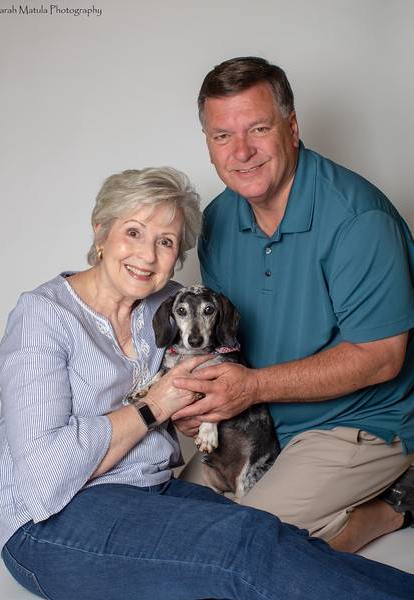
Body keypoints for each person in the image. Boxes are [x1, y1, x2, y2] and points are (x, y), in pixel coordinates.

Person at [0, 165, 414, 599]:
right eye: (133, 232)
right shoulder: (42, 318)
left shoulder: (163, 303)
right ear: (101, 232)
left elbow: (214, 369)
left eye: (166, 242)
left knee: (265, 531)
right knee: (240, 554)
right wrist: (154, 406)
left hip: (150, 491)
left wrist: (203, 408)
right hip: (50, 522)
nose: (147, 255)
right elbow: (44, 478)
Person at [172, 56, 414, 554]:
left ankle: (388, 509)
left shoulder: (358, 220)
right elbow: (224, 345)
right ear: (209, 145)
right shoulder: (217, 221)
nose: (241, 152)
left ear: (292, 126)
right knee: (172, 521)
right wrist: (202, 404)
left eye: (258, 128)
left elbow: (382, 357)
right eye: (223, 136)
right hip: (263, 420)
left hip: (361, 420)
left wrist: (252, 387)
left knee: (247, 544)